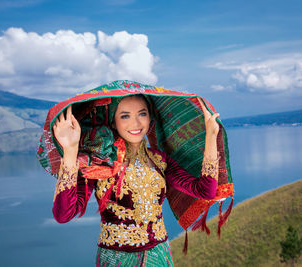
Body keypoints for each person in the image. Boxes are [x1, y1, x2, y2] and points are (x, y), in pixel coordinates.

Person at [51, 94, 221, 266]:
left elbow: (205, 191)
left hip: (159, 257)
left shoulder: (160, 160)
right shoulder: (99, 163)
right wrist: (71, 150)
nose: (136, 123)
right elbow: (63, 214)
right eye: (125, 116)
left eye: (142, 114)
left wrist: (211, 136)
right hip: (117, 260)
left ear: (150, 118)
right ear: (112, 122)